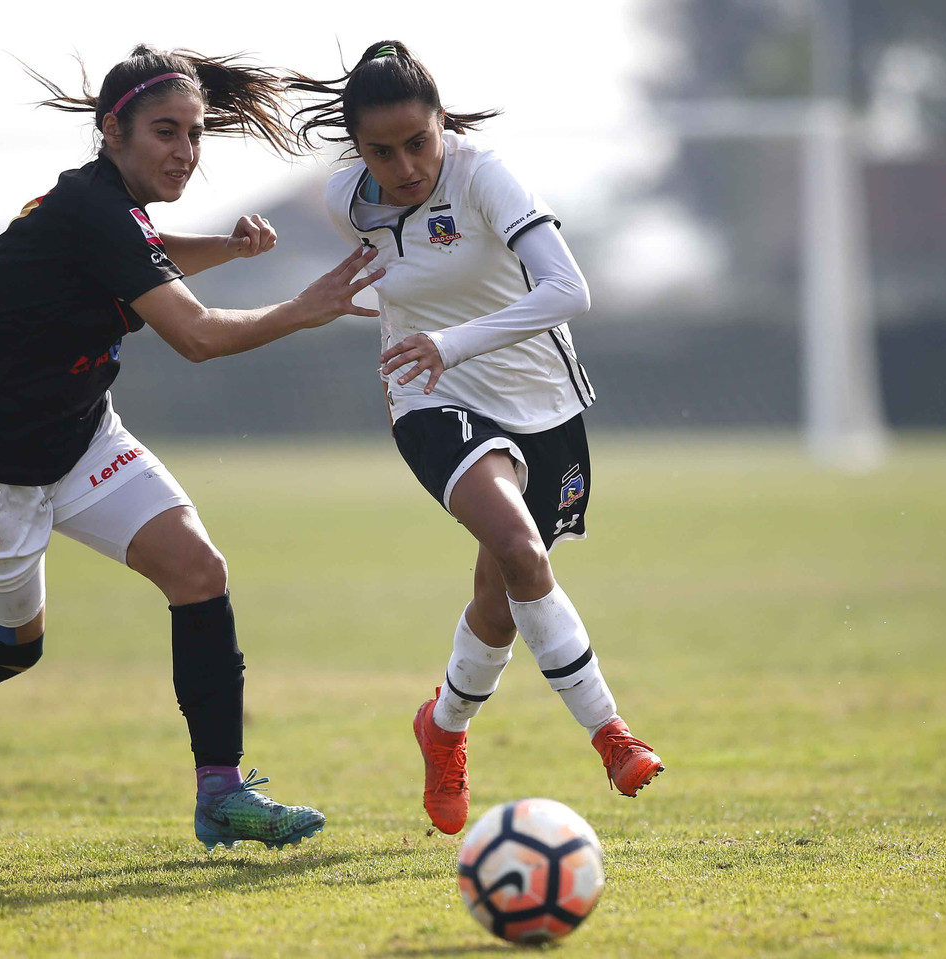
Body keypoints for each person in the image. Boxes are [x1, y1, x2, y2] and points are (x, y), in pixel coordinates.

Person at [0, 45, 382, 851]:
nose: (184, 151)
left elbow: (140, 255)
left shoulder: (111, 211)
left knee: (198, 570)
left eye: (194, 134)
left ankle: (220, 791)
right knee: (11, 647)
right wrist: (305, 306)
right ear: (112, 131)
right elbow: (197, 335)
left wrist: (225, 246)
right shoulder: (91, 210)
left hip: (78, 437)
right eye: (164, 132)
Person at [288, 41, 663, 835]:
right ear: (357, 148)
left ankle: (443, 726)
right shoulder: (344, 200)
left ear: (441, 125)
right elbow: (390, 276)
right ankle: (611, 732)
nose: (404, 164)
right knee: (523, 555)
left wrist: (450, 336)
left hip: (542, 403)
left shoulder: (485, 174)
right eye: (381, 150)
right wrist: (398, 327)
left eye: (418, 141)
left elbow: (571, 290)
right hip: (430, 394)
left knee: (498, 600)